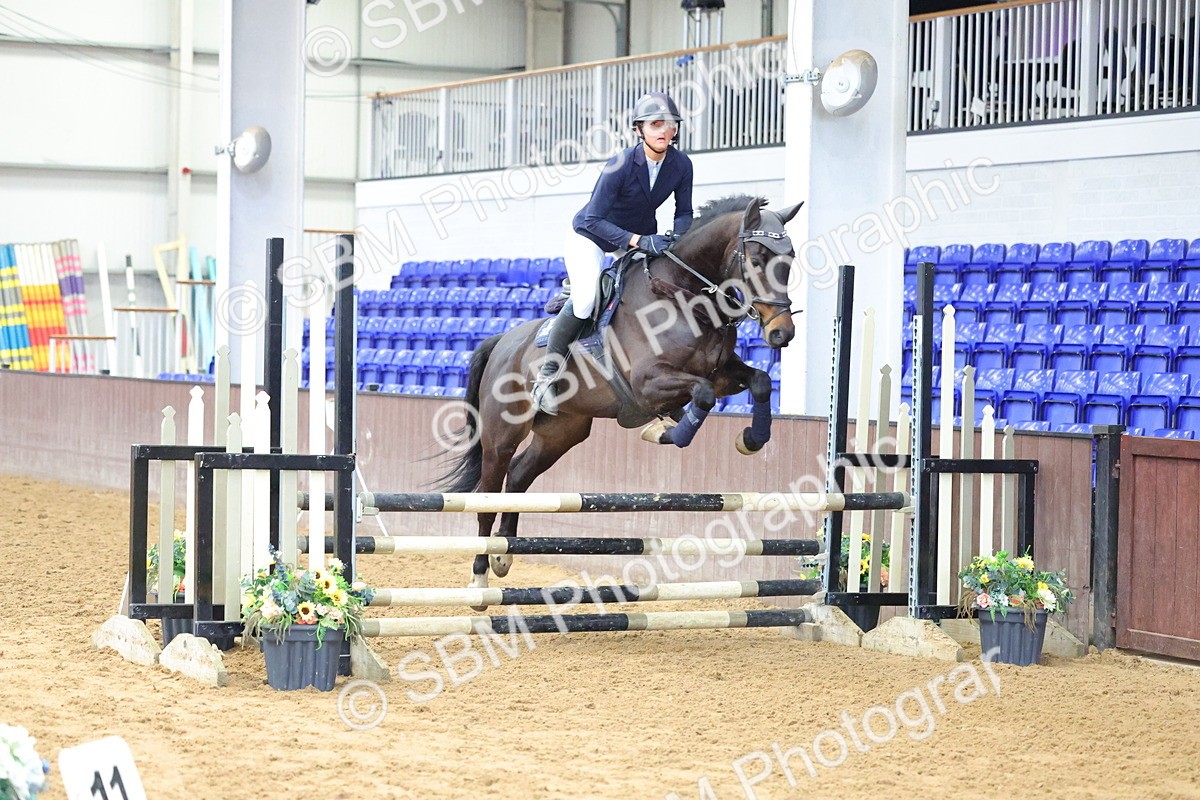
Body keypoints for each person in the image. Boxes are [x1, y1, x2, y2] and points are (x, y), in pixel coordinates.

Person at [530, 91, 695, 415]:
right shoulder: (620, 164)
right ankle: (547, 378)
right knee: (587, 301)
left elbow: (684, 211)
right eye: (656, 124)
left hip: (637, 237)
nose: (664, 130)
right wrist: (638, 241)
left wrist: (677, 236)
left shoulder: (680, 164)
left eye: (670, 125)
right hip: (590, 236)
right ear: (639, 129)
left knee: (651, 289)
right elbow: (593, 218)